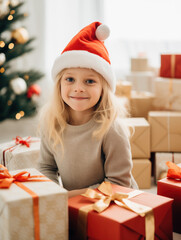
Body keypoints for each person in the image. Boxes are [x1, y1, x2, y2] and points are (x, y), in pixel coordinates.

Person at [38, 21, 138, 198]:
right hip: (76, 204)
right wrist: (52, 199)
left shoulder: (112, 129)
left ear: (103, 88)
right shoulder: (52, 123)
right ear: (59, 84)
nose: (78, 88)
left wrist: (70, 197)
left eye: (89, 81)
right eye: (70, 79)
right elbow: (47, 167)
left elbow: (119, 184)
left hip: (114, 204)